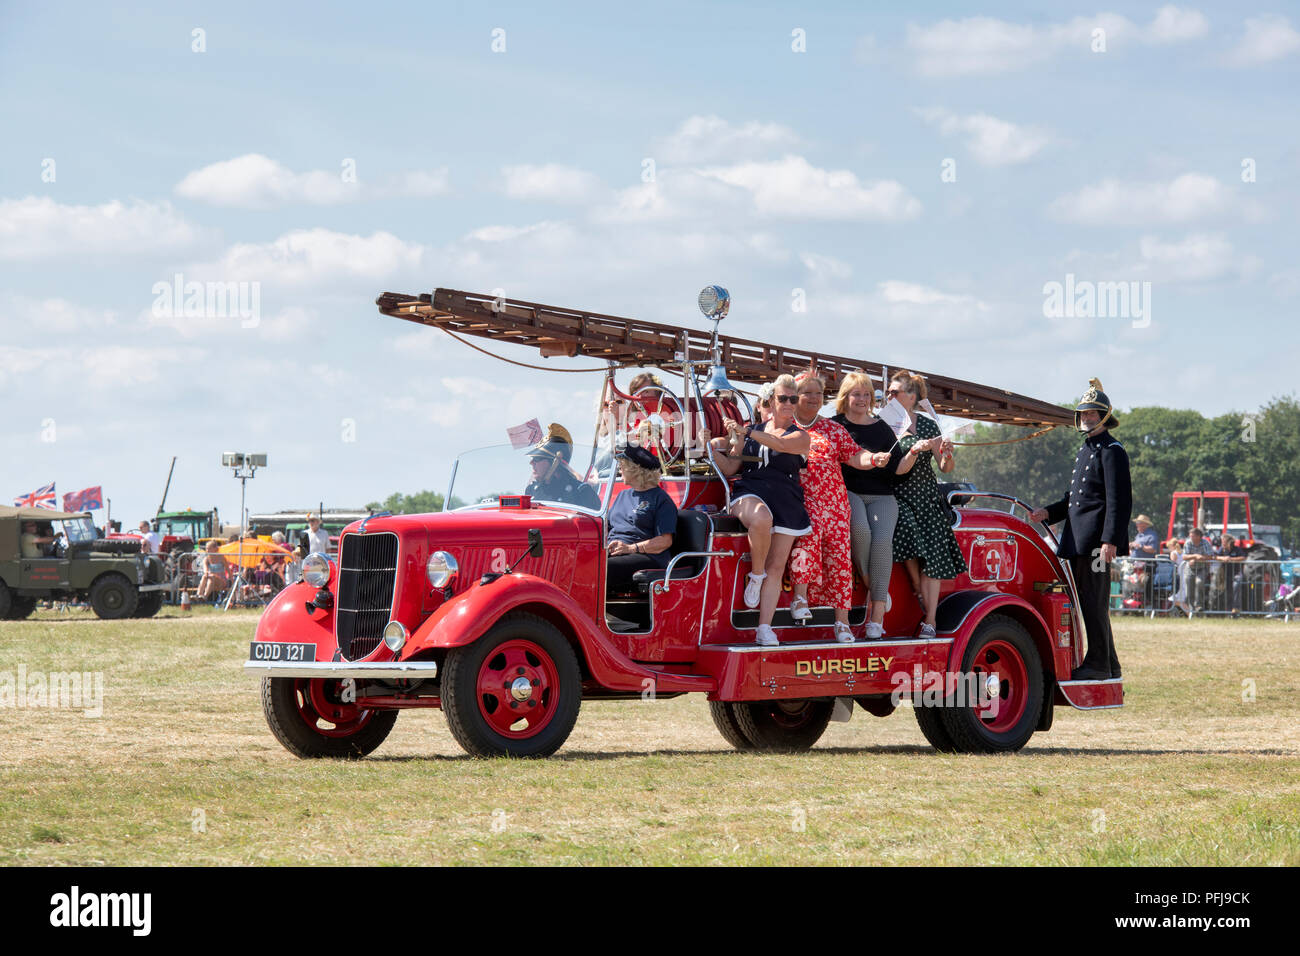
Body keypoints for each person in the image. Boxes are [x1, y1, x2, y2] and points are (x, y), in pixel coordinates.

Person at [1029, 378, 1132, 680]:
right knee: (1088, 602)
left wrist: (1110, 540)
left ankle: (1099, 664)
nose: (1086, 418)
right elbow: (1074, 499)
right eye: (1083, 414)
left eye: (1092, 414)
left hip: (1097, 543)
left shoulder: (1113, 450)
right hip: (1079, 539)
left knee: (1094, 603)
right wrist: (1049, 511)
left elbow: (1119, 500)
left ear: (1104, 416)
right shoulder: (1086, 448)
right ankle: (1108, 664)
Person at [786, 372, 892, 643]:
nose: (813, 398)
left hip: (835, 502)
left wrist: (874, 458)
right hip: (802, 501)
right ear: (793, 396)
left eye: (818, 393)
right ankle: (800, 598)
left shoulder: (833, 429)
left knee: (841, 560)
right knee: (806, 539)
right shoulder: (785, 427)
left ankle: (842, 623)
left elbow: (855, 455)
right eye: (807, 392)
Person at [707, 374, 811, 647]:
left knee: (777, 567)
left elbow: (781, 445)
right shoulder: (750, 429)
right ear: (770, 400)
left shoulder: (800, 436)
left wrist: (746, 432)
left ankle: (764, 628)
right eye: (783, 398)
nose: (789, 403)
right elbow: (731, 468)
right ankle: (756, 574)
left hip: (787, 500)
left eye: (793, 398)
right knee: (761, 518)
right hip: (749, 492)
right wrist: (707, 447)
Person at [888, 370, 967, 638]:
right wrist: (913, 450)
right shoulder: (884, 422)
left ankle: (930, 620)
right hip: (898, 495)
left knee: (932, 559)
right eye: (888, 392)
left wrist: (947, 453)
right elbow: (895, 469)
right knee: (907, 532)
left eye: (894, 392)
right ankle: (916, 587)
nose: (888, 396)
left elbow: (945, 467)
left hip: (927, 495)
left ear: (911, 397)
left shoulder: (929, 425)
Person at [831, 371, 907, 639]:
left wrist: (915, 452)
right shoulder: (834, 426)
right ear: (845, 397)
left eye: (866, 394)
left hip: (882, 495)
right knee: (860, 530)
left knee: (882, 540)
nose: (862, 399)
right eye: (856, 394)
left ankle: (877, 620)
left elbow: (899, 467)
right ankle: (874, 586)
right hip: (848, 491)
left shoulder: (882, 427)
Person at [605, 445, 677, 592]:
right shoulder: (622, 495)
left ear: (636, 470)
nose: (620, 470)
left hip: (647, 556)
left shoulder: (661, 499)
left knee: (602, 569)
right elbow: (606, 527)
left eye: (622, 466)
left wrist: (630, 548)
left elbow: (665, 541)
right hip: (616, 551)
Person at [525, 422, 601, 509]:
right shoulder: (532, 490)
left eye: (537, 459)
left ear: (555, 462)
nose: (531, 463)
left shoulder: (582, 492)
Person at [1181, 527, 1214, 613]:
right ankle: (1191, 608)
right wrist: (1195, 556)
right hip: (1190, 569)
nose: (1191, 537)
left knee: (1199, 582)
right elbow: (1184, 556)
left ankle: (1199, 605)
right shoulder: (1188, 543)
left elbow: (1210, 556)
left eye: (1193, 536)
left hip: (1202, 568)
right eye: (1190, 536)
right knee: (1189, 587)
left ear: (1199, 536)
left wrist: (1201, 558)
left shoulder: (1205, 543)